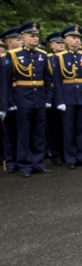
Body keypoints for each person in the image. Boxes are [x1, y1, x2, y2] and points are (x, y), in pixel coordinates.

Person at [1, 22, 53, 178]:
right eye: (32, 36)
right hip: (22, 98)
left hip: (39, 99)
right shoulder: (13, 55)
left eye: (37, 36)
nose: (35, 38)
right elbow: (7, 82)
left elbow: (47, 79)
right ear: (23, 37)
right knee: (24, 133)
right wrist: (9, 102)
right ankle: (25, 164)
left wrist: (48, 98)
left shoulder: (42, 55)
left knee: (39, 133)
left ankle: (38, 163)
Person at [53, 25, 82, 170]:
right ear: (66, 40)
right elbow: (56, 81)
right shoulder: (59, 58)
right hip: (67, 97)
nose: (77, 40)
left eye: (78, 38)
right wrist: (59, 100)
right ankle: (70, 158)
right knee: (68, 129)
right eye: (73, 38)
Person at [0, 27, 24, 173]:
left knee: (21, 130)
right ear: (9, 42)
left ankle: (20, 158)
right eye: (17, 39)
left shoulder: (21, 56)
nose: (21, 41)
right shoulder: (3, 59)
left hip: (21, 97)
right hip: (7, 97)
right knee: (8, 131)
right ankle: (10, 160)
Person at [45, 31, 66, 165]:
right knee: (53, 127)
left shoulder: (67, 57)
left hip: (65, 94)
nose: (61, 45)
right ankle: (55, 154)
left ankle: (65, 153)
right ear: (52, 45)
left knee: (66, 126)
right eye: (58, 43)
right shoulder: (47, 58)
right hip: (52, 94)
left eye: (63, 42)